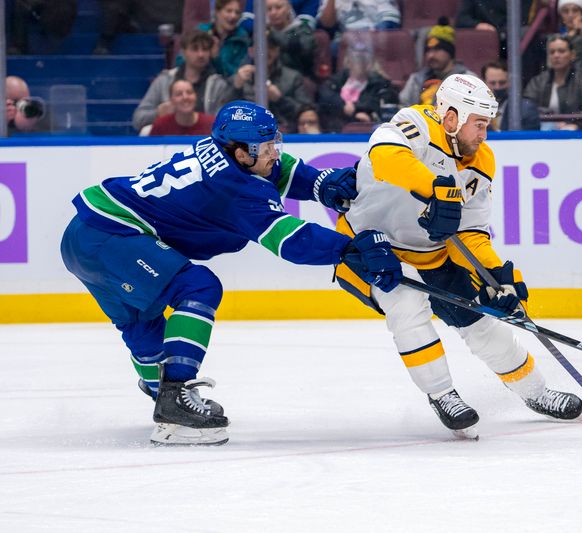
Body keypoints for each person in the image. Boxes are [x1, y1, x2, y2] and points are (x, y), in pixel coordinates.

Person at [60, 101, 402, 446]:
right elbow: (291, 242)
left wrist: (318, 185)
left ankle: (160, 392)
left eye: (274, 142)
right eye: (265, 147)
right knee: (198, 287)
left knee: (141, 322)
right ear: (240, 153)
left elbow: (275, 169)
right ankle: (173, 398)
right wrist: (349, 248)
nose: (274, 152)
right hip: (112, 237)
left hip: (82, 234)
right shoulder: (237, 189)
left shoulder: (221, 148)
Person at [334, 74, 582, 439]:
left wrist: (495, 273)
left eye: (487, 125)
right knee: (407, 305)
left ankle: (536, 393)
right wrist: (437, 190)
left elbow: (469, 232)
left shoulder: (481, 161)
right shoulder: (415, 123)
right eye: (479, 125)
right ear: (451, 118)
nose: (484, 135)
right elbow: (384, 156)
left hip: (431, 253)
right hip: (367, 247)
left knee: (481, 322)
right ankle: (442, 394)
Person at [133, 29, 233, 133]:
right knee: (146, 131)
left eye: (205, 49)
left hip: (205, 139)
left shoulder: (218, 84)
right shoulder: (164, 81)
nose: (200, 54)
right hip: (169, 139)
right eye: (195, 49)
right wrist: (158, 113)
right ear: (183, 52)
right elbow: (138, 119)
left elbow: (224, 122)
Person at [231, 31, 313, 131]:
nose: (266, 52)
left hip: (286, 136)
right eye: (261, 47)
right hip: (247, 134)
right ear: (251, 51)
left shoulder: (293, 77)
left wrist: (280, 100)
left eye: (271, 47)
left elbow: (306, 113)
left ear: (277, 51)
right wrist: (236, 89)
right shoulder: (239, 78)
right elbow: (224, 114)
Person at [317, 39, 398, 132]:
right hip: (336, 127)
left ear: (369, 62)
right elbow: (324, 95)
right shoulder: (338, 79)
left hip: (367, 128)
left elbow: (378, 102)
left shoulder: (380, 82)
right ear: (348, 61)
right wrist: (343, 106)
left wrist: (355, 107)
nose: (359, 63)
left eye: (363, 59)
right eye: (355, 58)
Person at [523, 35, 582, 130]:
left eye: (561, 51)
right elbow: (528, 109)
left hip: (575, 131)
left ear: (572, 55)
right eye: (552, 52)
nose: (556, 55)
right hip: (542, 131)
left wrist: (578, 125)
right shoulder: (538, 81)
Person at [399, 19, 476, 107]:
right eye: (428, 51)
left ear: (449, 53)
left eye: (437, 50)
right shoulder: (416, 80)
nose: (430, 56)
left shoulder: (468, 80)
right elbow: (403, 107)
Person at [198, 0, 252, 77]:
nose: (233, 16)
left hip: (229, 87)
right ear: (217, 12)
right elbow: (181, 60)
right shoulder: (202, 32)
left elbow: (237, 74)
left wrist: (216, 58)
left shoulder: (242, 38)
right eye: (229, 11)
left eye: (237, 12)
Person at [481, 61, 540, 131]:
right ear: (483, 83)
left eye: (502, 82)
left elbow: (530, 139)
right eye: (492, 83)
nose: (497, 87)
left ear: (510, 82)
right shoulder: (474, 108)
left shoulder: (525, 109)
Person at [265, 0, 318, 78]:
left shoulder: (300, 29)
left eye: (278, 8)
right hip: (269, 79)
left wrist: (272, 33)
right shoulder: (264, 32)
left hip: (298, 78)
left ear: (288, 8)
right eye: (269, 9)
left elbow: (298, 44)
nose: (273, 12)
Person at [148, 80, 216, 136]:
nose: (185, 97)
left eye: (189, 92)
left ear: (196, 96)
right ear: (171, 100)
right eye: (179, 94)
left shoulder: (212, 123)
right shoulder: (160, 125)